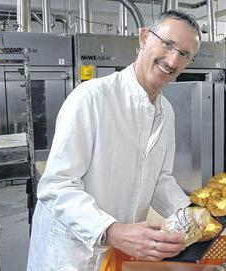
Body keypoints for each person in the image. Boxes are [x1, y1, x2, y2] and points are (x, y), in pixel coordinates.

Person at [27, 10, 201, 270]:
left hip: (119, 254)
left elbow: (159, 180)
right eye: (168, 44)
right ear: (144, 38)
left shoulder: (166, 112)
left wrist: (192, 214)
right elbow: (57, 186)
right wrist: (112, 231)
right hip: (72, 254)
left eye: (185, 54)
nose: (173, 60)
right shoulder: (91, 98)